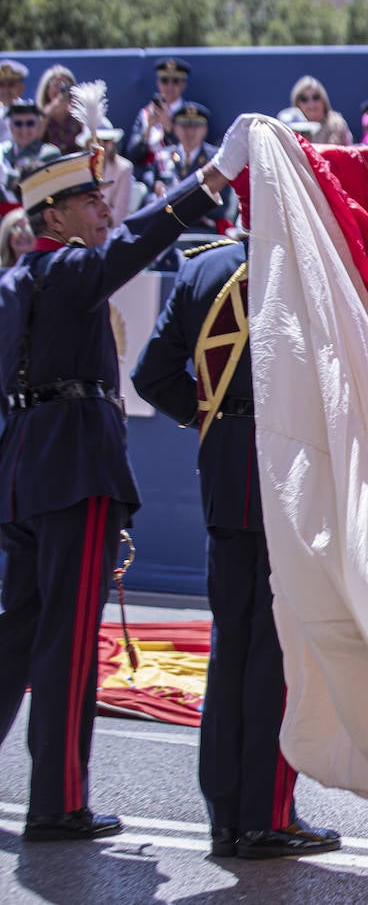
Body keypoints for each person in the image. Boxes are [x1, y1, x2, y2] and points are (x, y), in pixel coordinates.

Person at [0, 86, 249, 843]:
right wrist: (207, 183)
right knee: (68, 643)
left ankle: (53, 795)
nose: (106, 213)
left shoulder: (14, 282)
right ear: (54, 216)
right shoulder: (66, 272)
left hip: (24, 470)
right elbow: (136, 244)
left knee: (17, 637)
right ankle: (58, 803)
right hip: (75, 465)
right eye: (91, 204)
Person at [132, 228, 343, 861]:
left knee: (230, 648)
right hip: (287, 473)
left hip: (225, 475)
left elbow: (151, 375)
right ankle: (266, 815)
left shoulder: (202, 270)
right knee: (275, 652)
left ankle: (225, 814)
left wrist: (211, 420)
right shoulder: (307, 265)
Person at [141, 103, 231, 234]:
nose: (190, 132)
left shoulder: (217, 159)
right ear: (175, 128)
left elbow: (221, 207)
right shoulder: (162, 157)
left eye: (195, 126)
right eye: (184, 125)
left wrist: (178, 201)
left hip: (201, 231)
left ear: (205, 129)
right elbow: (150, 199)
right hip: (166, 229)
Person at [125, 57, 191, 167]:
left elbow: (193, 151)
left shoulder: (190, 115)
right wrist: (148, 129)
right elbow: (132, 155)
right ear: (158, 82)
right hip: (149, 175)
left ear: (183, 84)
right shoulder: (146, 113)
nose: (169, 86)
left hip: (177, 172)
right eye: (165, 80)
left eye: (175, 81)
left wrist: (169, 128)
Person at [0, 100, 59, 206]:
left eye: (30, 123)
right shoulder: (2, 151)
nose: (24, 129)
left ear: (38, 126)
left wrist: (5, 176)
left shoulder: (49, 153)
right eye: (18, 123)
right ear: (10, 126)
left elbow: (30, 181)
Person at [78, 118, 134, 226]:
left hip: (109, 232)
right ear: (87, 143)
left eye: (106, 140)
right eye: (97, 140)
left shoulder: (125, 168)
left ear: (113, 143)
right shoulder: (77, 169)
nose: (101, 145)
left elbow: (119, 214)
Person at [288, 76, 352, 146]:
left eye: (316, 97)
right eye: (304, 99)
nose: (311, 104)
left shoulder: (336, 124)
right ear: (297, 103)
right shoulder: (291, 127)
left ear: (324, 100)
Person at [35, 65, 80, 156]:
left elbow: (90, 136)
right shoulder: (38, 114)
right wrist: (49, 110)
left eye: (66, 85)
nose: (61, 89)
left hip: (77, 161)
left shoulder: (77, 112)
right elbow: (34, 140)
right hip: (48, 163)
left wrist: (79, 110)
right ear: (47, 89)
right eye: (56, 85)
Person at [0, 59, 30, 148]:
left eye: (11, 85)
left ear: (21, 88)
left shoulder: (30, 111)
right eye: (1, 85)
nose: (5, 90)